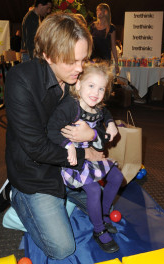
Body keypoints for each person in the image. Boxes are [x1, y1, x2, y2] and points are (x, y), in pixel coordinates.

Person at [0, 12, 111, 260]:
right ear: (47, 55)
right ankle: (18, 202)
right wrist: (84, 153)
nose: (80, 69)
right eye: (72, 61)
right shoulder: (21, 81)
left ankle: (61, 201)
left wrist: (91, 132)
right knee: (62, 248)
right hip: (34, 174)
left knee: (103, 205)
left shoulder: (76, 76)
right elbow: (36, 147)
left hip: (66, 168)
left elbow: (100, 115)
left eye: (83, 59)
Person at [47, 61, 123, 253]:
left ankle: (104, 216)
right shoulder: (70, 107)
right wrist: (68, 145)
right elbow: (51, 129)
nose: (95, 93)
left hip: (89, 156)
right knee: (95, 191)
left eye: (101, 89)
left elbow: (104, 112)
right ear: (78, 84)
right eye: (91, 86)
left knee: (116, 177)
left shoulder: (95, 106)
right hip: (71, 161)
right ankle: (98, 231)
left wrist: (111, 122)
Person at [90, 3, 119, 74]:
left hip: (105, 61)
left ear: (105, 12)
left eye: (99, 10)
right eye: (96, 10)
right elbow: (88, 43)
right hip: (93, 60)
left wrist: (116, 63)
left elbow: (113, 46)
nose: (97, 12)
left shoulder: (111, 28)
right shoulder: (92, 26)